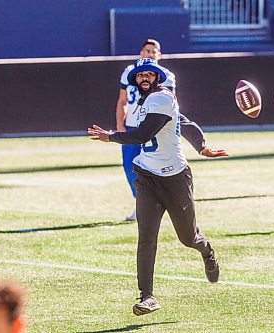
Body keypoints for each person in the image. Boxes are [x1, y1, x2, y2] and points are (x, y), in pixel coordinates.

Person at [89, 58, 228, 316]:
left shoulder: (162, 98)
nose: (144, 78)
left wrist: (112, 137)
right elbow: (184, 123)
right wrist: (201, 145)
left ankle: (207, 250)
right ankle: (147, 296)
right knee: (146, 237)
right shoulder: (143, 102)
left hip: (175, 178)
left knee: (188, 238)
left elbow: (143, 134)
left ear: (157, 77)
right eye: (140, 75)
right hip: (148, 177)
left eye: (148, 74)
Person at [116, 39, 202, 221]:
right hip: (132, 126)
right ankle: (140, 202)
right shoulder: (129, 73)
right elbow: (122, 100)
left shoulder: (167, 76)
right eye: (147, 50)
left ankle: (158, 205)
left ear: (159, 56)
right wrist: (119, 126)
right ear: (141, 53)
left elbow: (171, 105)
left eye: (154, 52)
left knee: (153, 167)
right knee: (129, 167)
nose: (150, 54)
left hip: (153, 129)